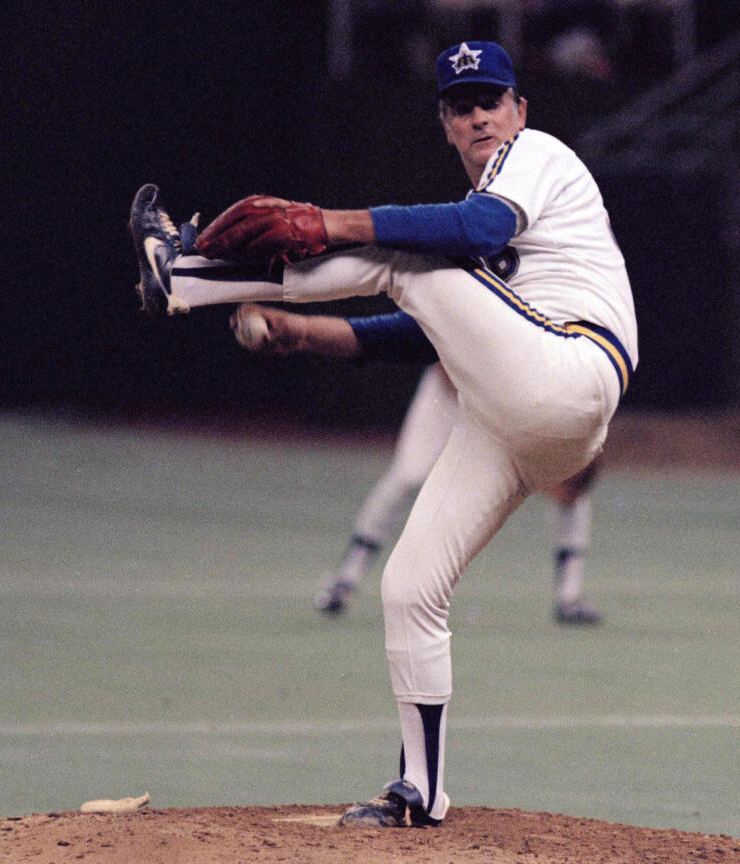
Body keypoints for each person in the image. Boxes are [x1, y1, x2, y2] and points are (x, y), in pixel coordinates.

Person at [127, 40, 636, 829]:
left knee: (410, 256)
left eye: (491, 101)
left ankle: (187, 278)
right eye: (462, 107)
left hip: (573, 367)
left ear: (521, 110)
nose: (480, 118)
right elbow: (424, 331)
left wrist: (326, 223)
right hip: (515, 421)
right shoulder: (481, 229)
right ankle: (421, 792)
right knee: (410, 587)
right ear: (443, 124)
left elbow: (469, 229)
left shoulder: (537, 156)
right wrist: (305, 333)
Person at [228, 305, 604, 625]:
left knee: (569, 469)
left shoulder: (561, 312)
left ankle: (568, 597)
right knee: (409, 475)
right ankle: (345, 579)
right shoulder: (490, 287)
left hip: (510, 401)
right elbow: (447, 361)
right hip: (451, 391)